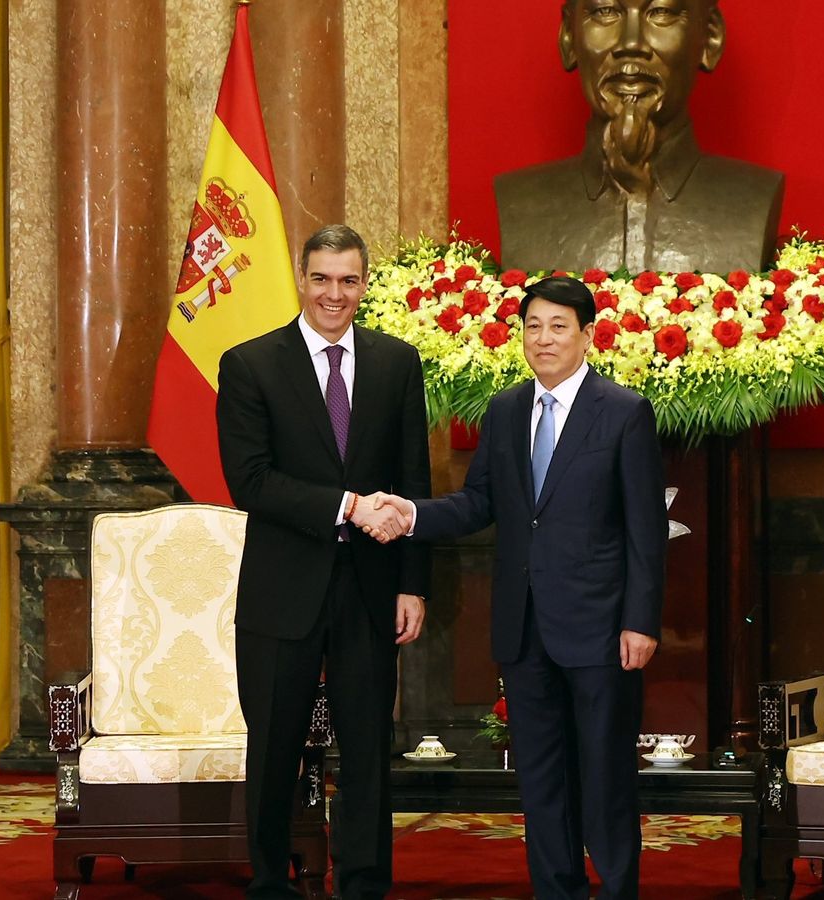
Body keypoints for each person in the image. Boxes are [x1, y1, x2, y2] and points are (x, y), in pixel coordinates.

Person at [370, 276, 667, 900]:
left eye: (559, 326)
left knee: (606, 777)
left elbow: (646, 528)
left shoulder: (623, 412)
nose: (543, 338)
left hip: (601, 629)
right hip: (524, 626)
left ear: (588, 335)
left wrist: (641, 621)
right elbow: (481, 501)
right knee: (541, 780)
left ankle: (616, 890)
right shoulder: (505, 411)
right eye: (532, 326)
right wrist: (413, 515)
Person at [215, 224, 429, 900]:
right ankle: (270, 881)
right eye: (321, 278)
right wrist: (347, 505)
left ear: (364, 284)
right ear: (301, 280)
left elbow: (414, 481)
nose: (334, 293)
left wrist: (414, 586)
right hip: (284, 588)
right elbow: (250, 481)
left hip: (371, 587)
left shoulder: (398, 363)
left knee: (368, 750)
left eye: (348, 279)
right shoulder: (250, 364)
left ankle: (363, 882)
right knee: (275, 746)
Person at [494, 0, 783, 274]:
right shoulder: (521, 202)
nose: (631, 44)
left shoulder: (754, 200)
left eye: (661, 12)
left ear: (710, 37)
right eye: (605, 10)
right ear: (569, 37)